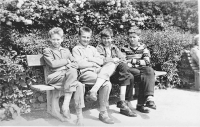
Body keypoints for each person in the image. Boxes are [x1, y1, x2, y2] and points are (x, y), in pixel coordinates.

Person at [72, 26, 114, 124]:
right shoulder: (76, 49)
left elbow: (101, 61)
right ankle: (103, 112)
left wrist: (89, 59)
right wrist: (93, 62)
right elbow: (79, 64)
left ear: (90, 38)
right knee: (107, 83)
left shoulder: (92, 49)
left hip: (97, 71)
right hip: (85, 73)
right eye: (83, 37)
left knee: (111, 64)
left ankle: (94, 89)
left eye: (88, 37)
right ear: (79, 37)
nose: (86, 39)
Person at [43, 27, 85, 125]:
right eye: (53, 39)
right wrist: (67, 62)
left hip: (67, 77)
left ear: (62, 39)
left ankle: (79, 116)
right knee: (73, 73)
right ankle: (65, 106)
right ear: (50, 39)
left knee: (78, 84)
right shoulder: (47, 50)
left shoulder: (66, 50)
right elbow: (53, 64)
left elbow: (75, 63)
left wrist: (68, 65)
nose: (56, 42)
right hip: (54, 77)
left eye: (58, 39)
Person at [96, 28, 137, 117]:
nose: (106, 40)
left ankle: (123, 102)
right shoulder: (99, 48)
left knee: (130, 75)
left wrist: (116, 60)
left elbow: (123, 58)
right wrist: (113, 60)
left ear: (112, 38)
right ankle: (124, 102)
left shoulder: (114, 47)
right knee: (128, 74)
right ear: (101, 39)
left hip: (115, 72)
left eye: (108, 38)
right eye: (104, 38)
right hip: (106, 74)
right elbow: (101, 60)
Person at [121, 27, 156, 113]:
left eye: (134, 37)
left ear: (139, 37)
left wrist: (132, 61)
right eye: (130, 37)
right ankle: (140, 104)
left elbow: (147, 62)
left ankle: (149, 98)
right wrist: (138, 62)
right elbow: (123, 62)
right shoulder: (124, 48)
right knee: (144, 76)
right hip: (130, 70)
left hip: (140, 69)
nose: (132, 39)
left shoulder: (143, 47)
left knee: (149, 70)